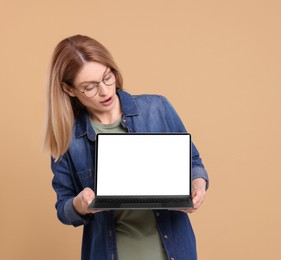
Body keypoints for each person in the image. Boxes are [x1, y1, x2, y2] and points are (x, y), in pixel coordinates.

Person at [44, 35, 209, 260]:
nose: (104, 91)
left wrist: (197, 187)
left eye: (107, 77)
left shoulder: (157, 108)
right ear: (69, 89)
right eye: (89, 87)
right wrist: (80, 204)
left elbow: (193, 162)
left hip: (174, 252)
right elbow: (64, 208)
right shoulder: (66, 138)